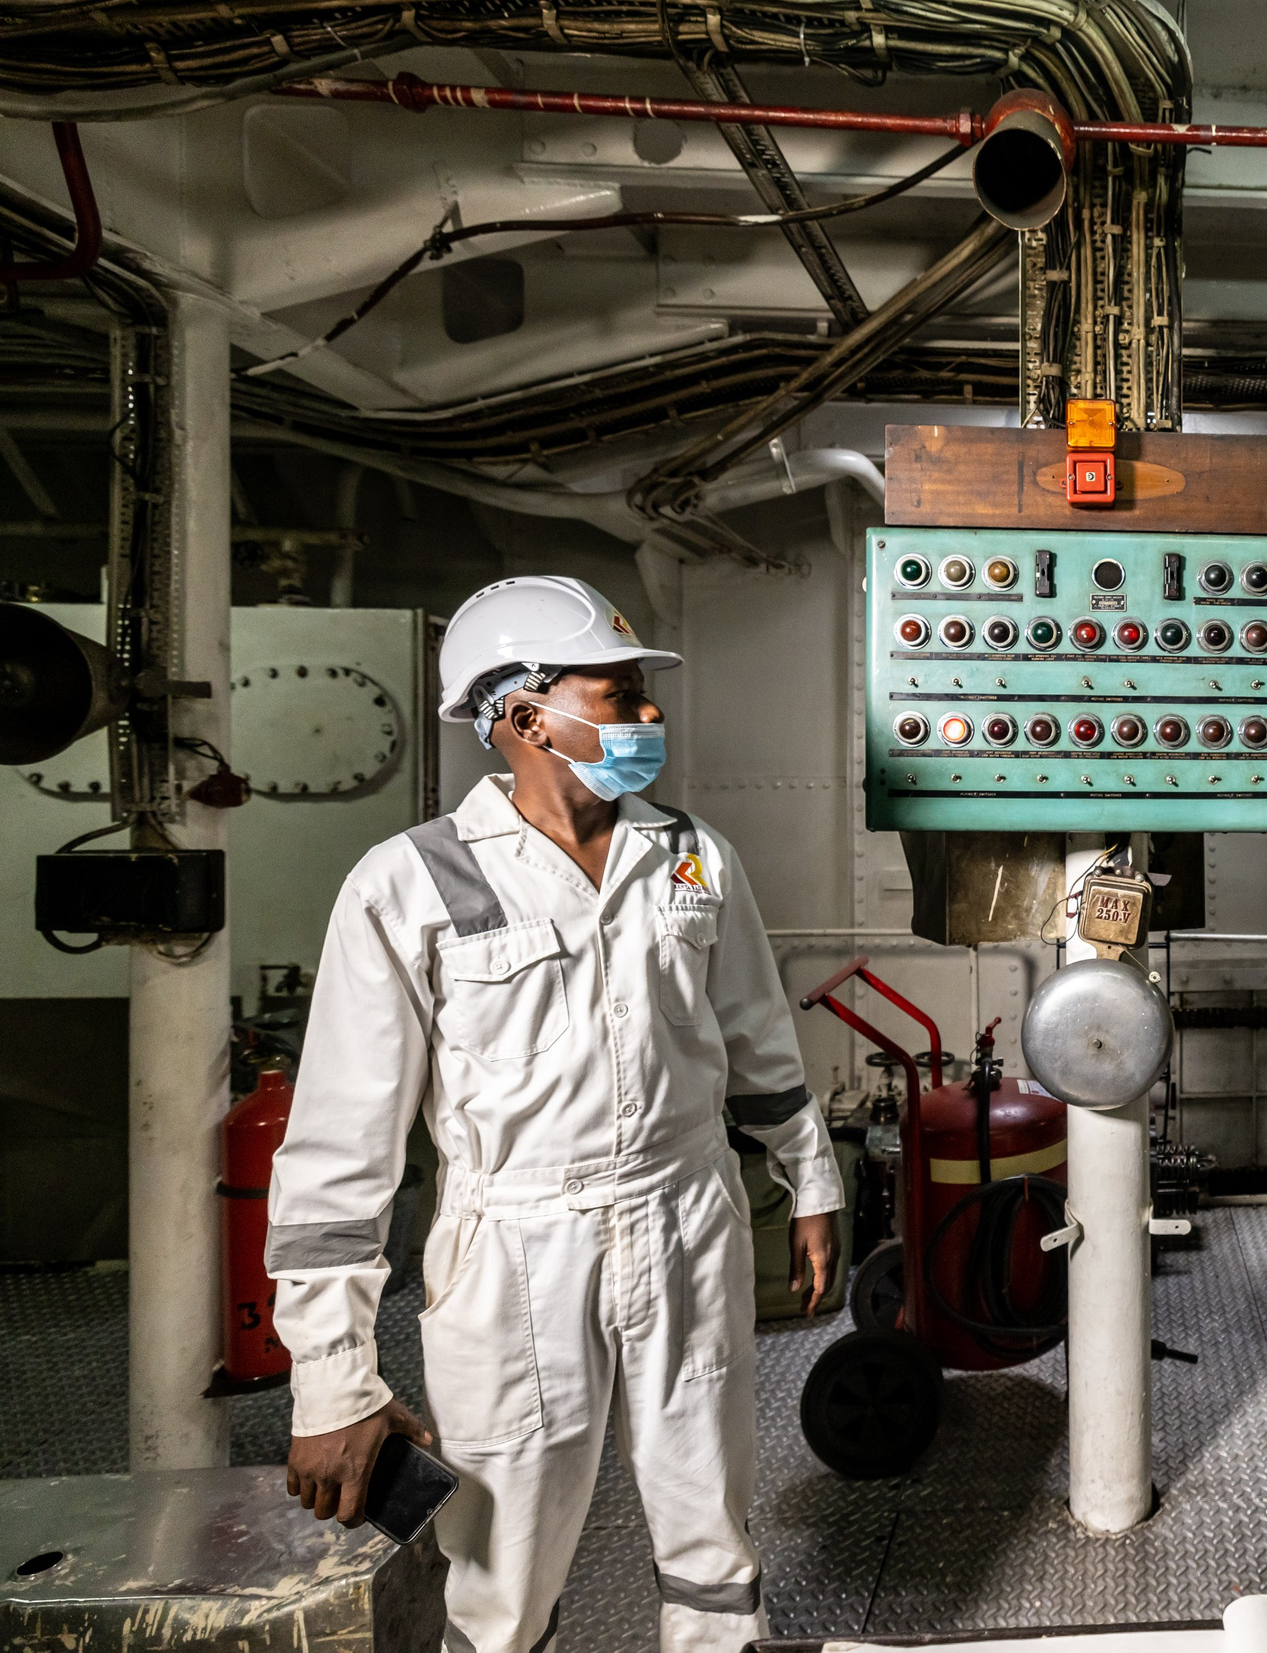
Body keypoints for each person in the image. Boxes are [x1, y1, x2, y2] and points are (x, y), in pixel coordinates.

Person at [269, 575, 844, 1653]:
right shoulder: (409, 884)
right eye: (621, 694)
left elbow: (758, 1037)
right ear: (527, 715)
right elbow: (342, 1154)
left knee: (712, 1532)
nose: (650, 717)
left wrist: (807, 1178)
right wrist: (332, 1379)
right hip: (516, 1250)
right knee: (501, 1566)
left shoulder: (690, 855)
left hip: (688, 1215)